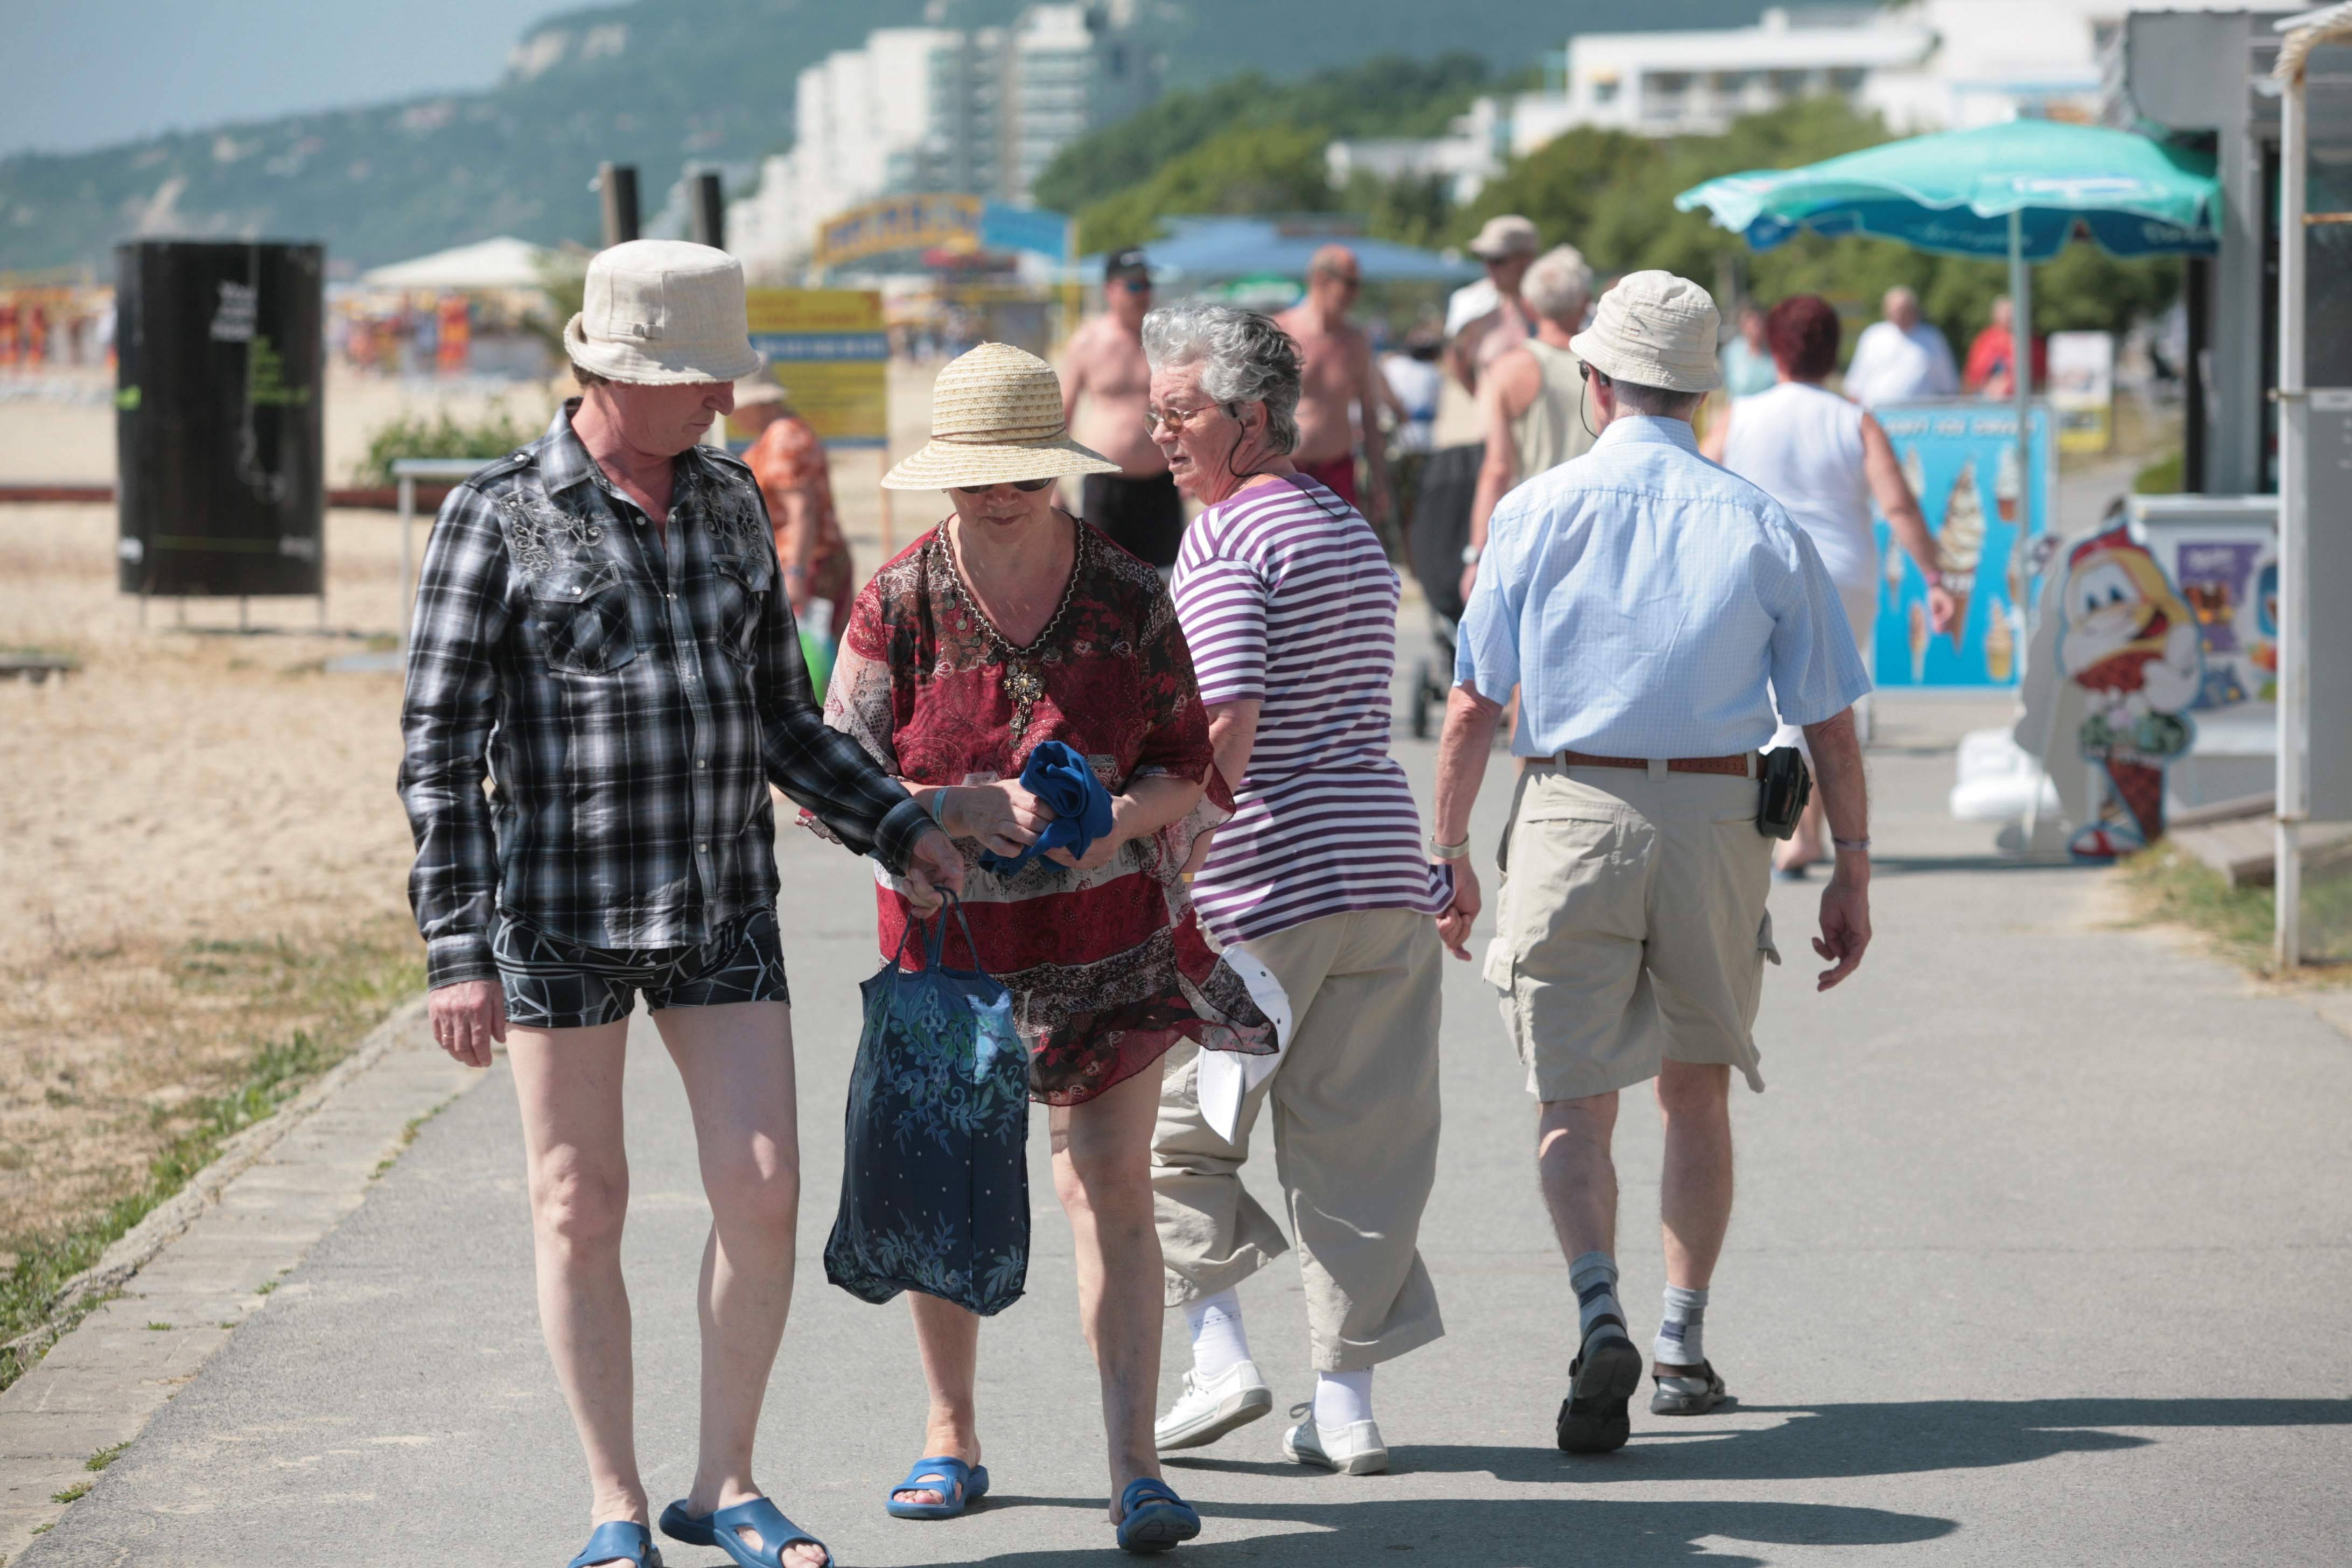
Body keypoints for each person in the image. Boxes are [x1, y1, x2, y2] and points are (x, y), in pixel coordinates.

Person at [399, 239, 964, 1568]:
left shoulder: (726, 506)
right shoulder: (493, 516)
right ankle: (615, 1505)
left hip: (719, 899)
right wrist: (454, 950)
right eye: (703, 380)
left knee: (764, 1185)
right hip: (554, 914)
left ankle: (729, 1485)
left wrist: (897, 820)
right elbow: (436, 749)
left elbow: (782, 717)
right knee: (577, 1202)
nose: (724, 405)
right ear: (615, 371)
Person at [825, 340, 1275, 1551]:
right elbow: (829, 776)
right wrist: (949, 808)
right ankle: (949, 1433)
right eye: (975, 472)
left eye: (1020, 468)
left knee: (1115, 1191)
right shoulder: (898, 599)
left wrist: (1112, 825)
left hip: (1108, 938)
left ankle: (1136, 1466)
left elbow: (1191, 763)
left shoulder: (1131, 591)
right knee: (943, 1191)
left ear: (1055, 465)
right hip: (948, 946)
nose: (998, 490)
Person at [1430, 271, 1875, 1457]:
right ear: (1695, 390)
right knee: (1697, 1088)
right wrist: (1854, 868)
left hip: (1572, 803)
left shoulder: (1533, 511)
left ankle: (1598, 1307)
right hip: (1720, 820)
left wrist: (1449, 852)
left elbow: (1473, 704)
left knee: (1574, 1098)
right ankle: (1679, 1343)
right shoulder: (1761, 522)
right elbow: (1827, 720)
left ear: (1596, 384)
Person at [1137, 304, 1453, 1478]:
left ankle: (1220, 1350)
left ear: (1250, 418)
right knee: (1359, 1148)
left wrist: (1172, 858)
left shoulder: (1225, 539)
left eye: (1179, 412)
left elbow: (1224, 717)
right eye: (1156, 410)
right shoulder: (1347, 528)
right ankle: (1348, 1401)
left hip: (1262, 885)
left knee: (1171, 1136)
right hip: (1378, 871)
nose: (1159, 433)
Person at [1714, 295, 1958, 875]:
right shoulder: (1856, 418)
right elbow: (1897, 505)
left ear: (1774, 347)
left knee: (1782, 710)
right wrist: (1934, 576)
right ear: (1834, 352)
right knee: (1822, 705)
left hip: (1758, 567)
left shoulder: (1740, 412)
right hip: (1844, 574)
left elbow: (1703, 481)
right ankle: (1808, 833)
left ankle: (1788, 830)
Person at [1460, 244, 1596, 606]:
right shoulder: (1606, 369)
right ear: (1584, 303)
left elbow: (1497, 469)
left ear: (1530, 306)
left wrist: (1477, 555)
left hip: (1533, 533)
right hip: (1598, 529)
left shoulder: (1508, 370)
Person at [1062, 247, 1187, 570]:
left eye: (1146, 284)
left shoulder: (1167, 342)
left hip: (1163, 482)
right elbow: (1061, 417)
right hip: (1107, 486)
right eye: (1134, 286)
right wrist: (1051, 488)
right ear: (1110, 290)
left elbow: (1188, 408)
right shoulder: (1088, 342)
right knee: (1103, 583)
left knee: (1165, 586)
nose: (1143, 293)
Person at [1272, 244, 1392, 529]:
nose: (1356, 294)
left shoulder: (1355, 341)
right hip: (1286, 469)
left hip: (1338, 470)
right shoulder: (1281, 332)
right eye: (1350, 284)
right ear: (1322, 280)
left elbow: (1369, 415)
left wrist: (1379, 479)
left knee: (1341, 563)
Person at [735, 376, 853, 643]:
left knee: (808, 655)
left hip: (808, 564)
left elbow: (802, 511)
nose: (733, 414)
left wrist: (796, 574)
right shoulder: (790, 430)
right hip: (818, 560)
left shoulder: (782, 439)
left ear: (758, 403)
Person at [1445, 214, 1541, 395]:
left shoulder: (1559, 311)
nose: (1488, 267)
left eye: (1498, 260)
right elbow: (1456, 363)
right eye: (1484, 258)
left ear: (1526, 261)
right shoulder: (1473, 308)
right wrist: (1491, 408)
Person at [1842, 285, 1958, 408]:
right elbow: (1855, 384)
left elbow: (1948, 385)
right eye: (1895, 311)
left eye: (1904, 311)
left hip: (1920, 417)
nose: (1900, 315)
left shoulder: (1932, 338)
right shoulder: (1873, 336)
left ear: (1914, 310)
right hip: (1877, 415)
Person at [1962, 295, 2046, 400]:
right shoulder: (1985, 341)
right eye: (2006, 312)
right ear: (1995, 315)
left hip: (2024, 400)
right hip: (1991, 403)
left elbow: (2041, 378)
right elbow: (1972, 377)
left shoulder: (2032, 342)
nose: (2009, 316)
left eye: (2012, 311)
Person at [1719, 303, 1777, 399]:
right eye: (1751, 322)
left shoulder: (1775, 352)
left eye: (1758, 322)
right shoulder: (1731, 353)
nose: (1755, 327)